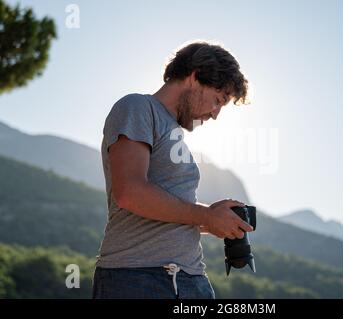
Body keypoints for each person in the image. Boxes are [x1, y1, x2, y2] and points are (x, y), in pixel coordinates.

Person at [92, 41, 253, 299]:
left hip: (189, 279)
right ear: (195, 76)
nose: (215, 115)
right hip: (137, 278)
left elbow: (171, 213)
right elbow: (130, 193)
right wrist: (206, 216)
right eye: (218, 100)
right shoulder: (136, 107)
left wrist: (214, 220)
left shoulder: (174, 134)